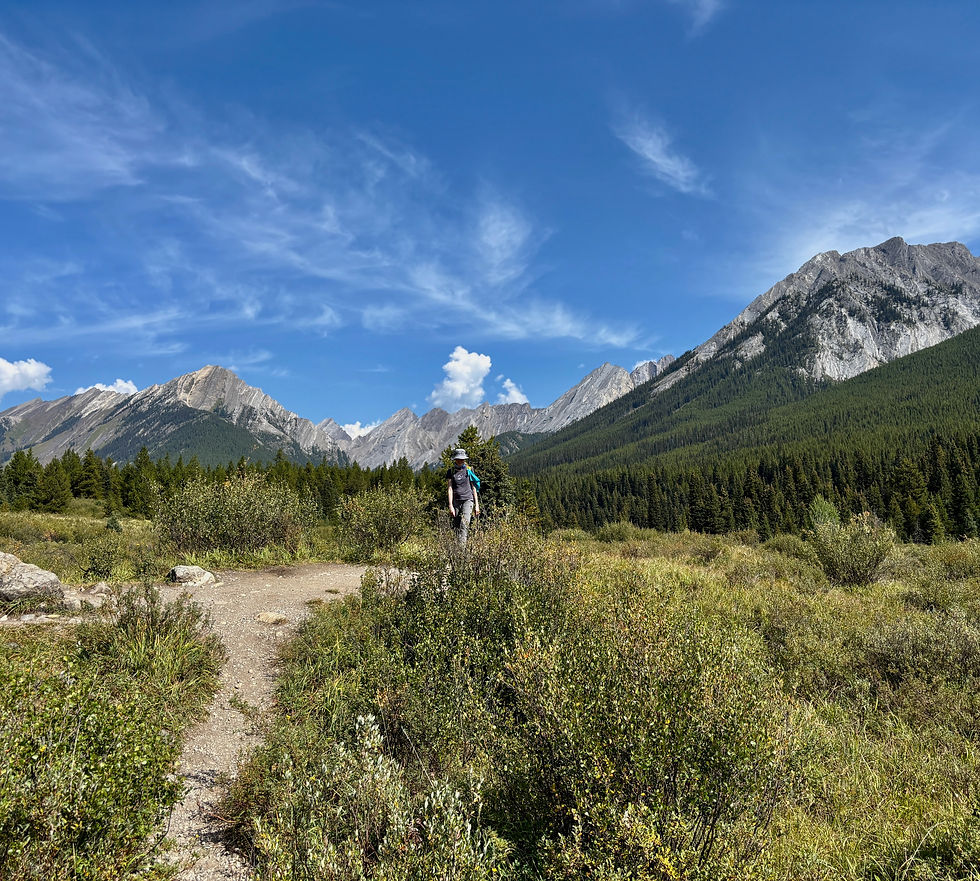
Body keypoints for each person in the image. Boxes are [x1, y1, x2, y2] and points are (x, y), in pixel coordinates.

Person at [447, 448, 480, 546]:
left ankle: (461, 553)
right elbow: (449, 488)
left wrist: (477, 505)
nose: (460, 461)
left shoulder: (469, 470)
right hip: (456, 502)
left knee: (464, 525)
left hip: (468, 500)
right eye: (458, 459)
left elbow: (473, 488)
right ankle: (457, 549)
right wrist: (450, 506)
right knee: (456, 527)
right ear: (455, 459)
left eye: (462, 459)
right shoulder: (451, 471)